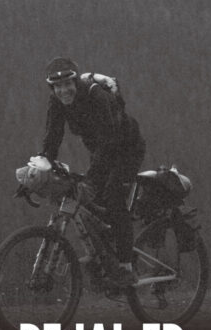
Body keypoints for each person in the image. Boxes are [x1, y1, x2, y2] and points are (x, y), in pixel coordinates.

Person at [40, 57, 145, 286]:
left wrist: (91, 178)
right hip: (100, 150)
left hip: (126, 148)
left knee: (114, 197)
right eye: (57, 86)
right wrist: (40, 168)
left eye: (67, 84)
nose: (63, 90)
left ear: (76, 82)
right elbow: (53, 136)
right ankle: (107, 252)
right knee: (93, 203)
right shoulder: (57, 101)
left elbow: (109, 140)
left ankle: (126, 266)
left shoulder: (95, 95)